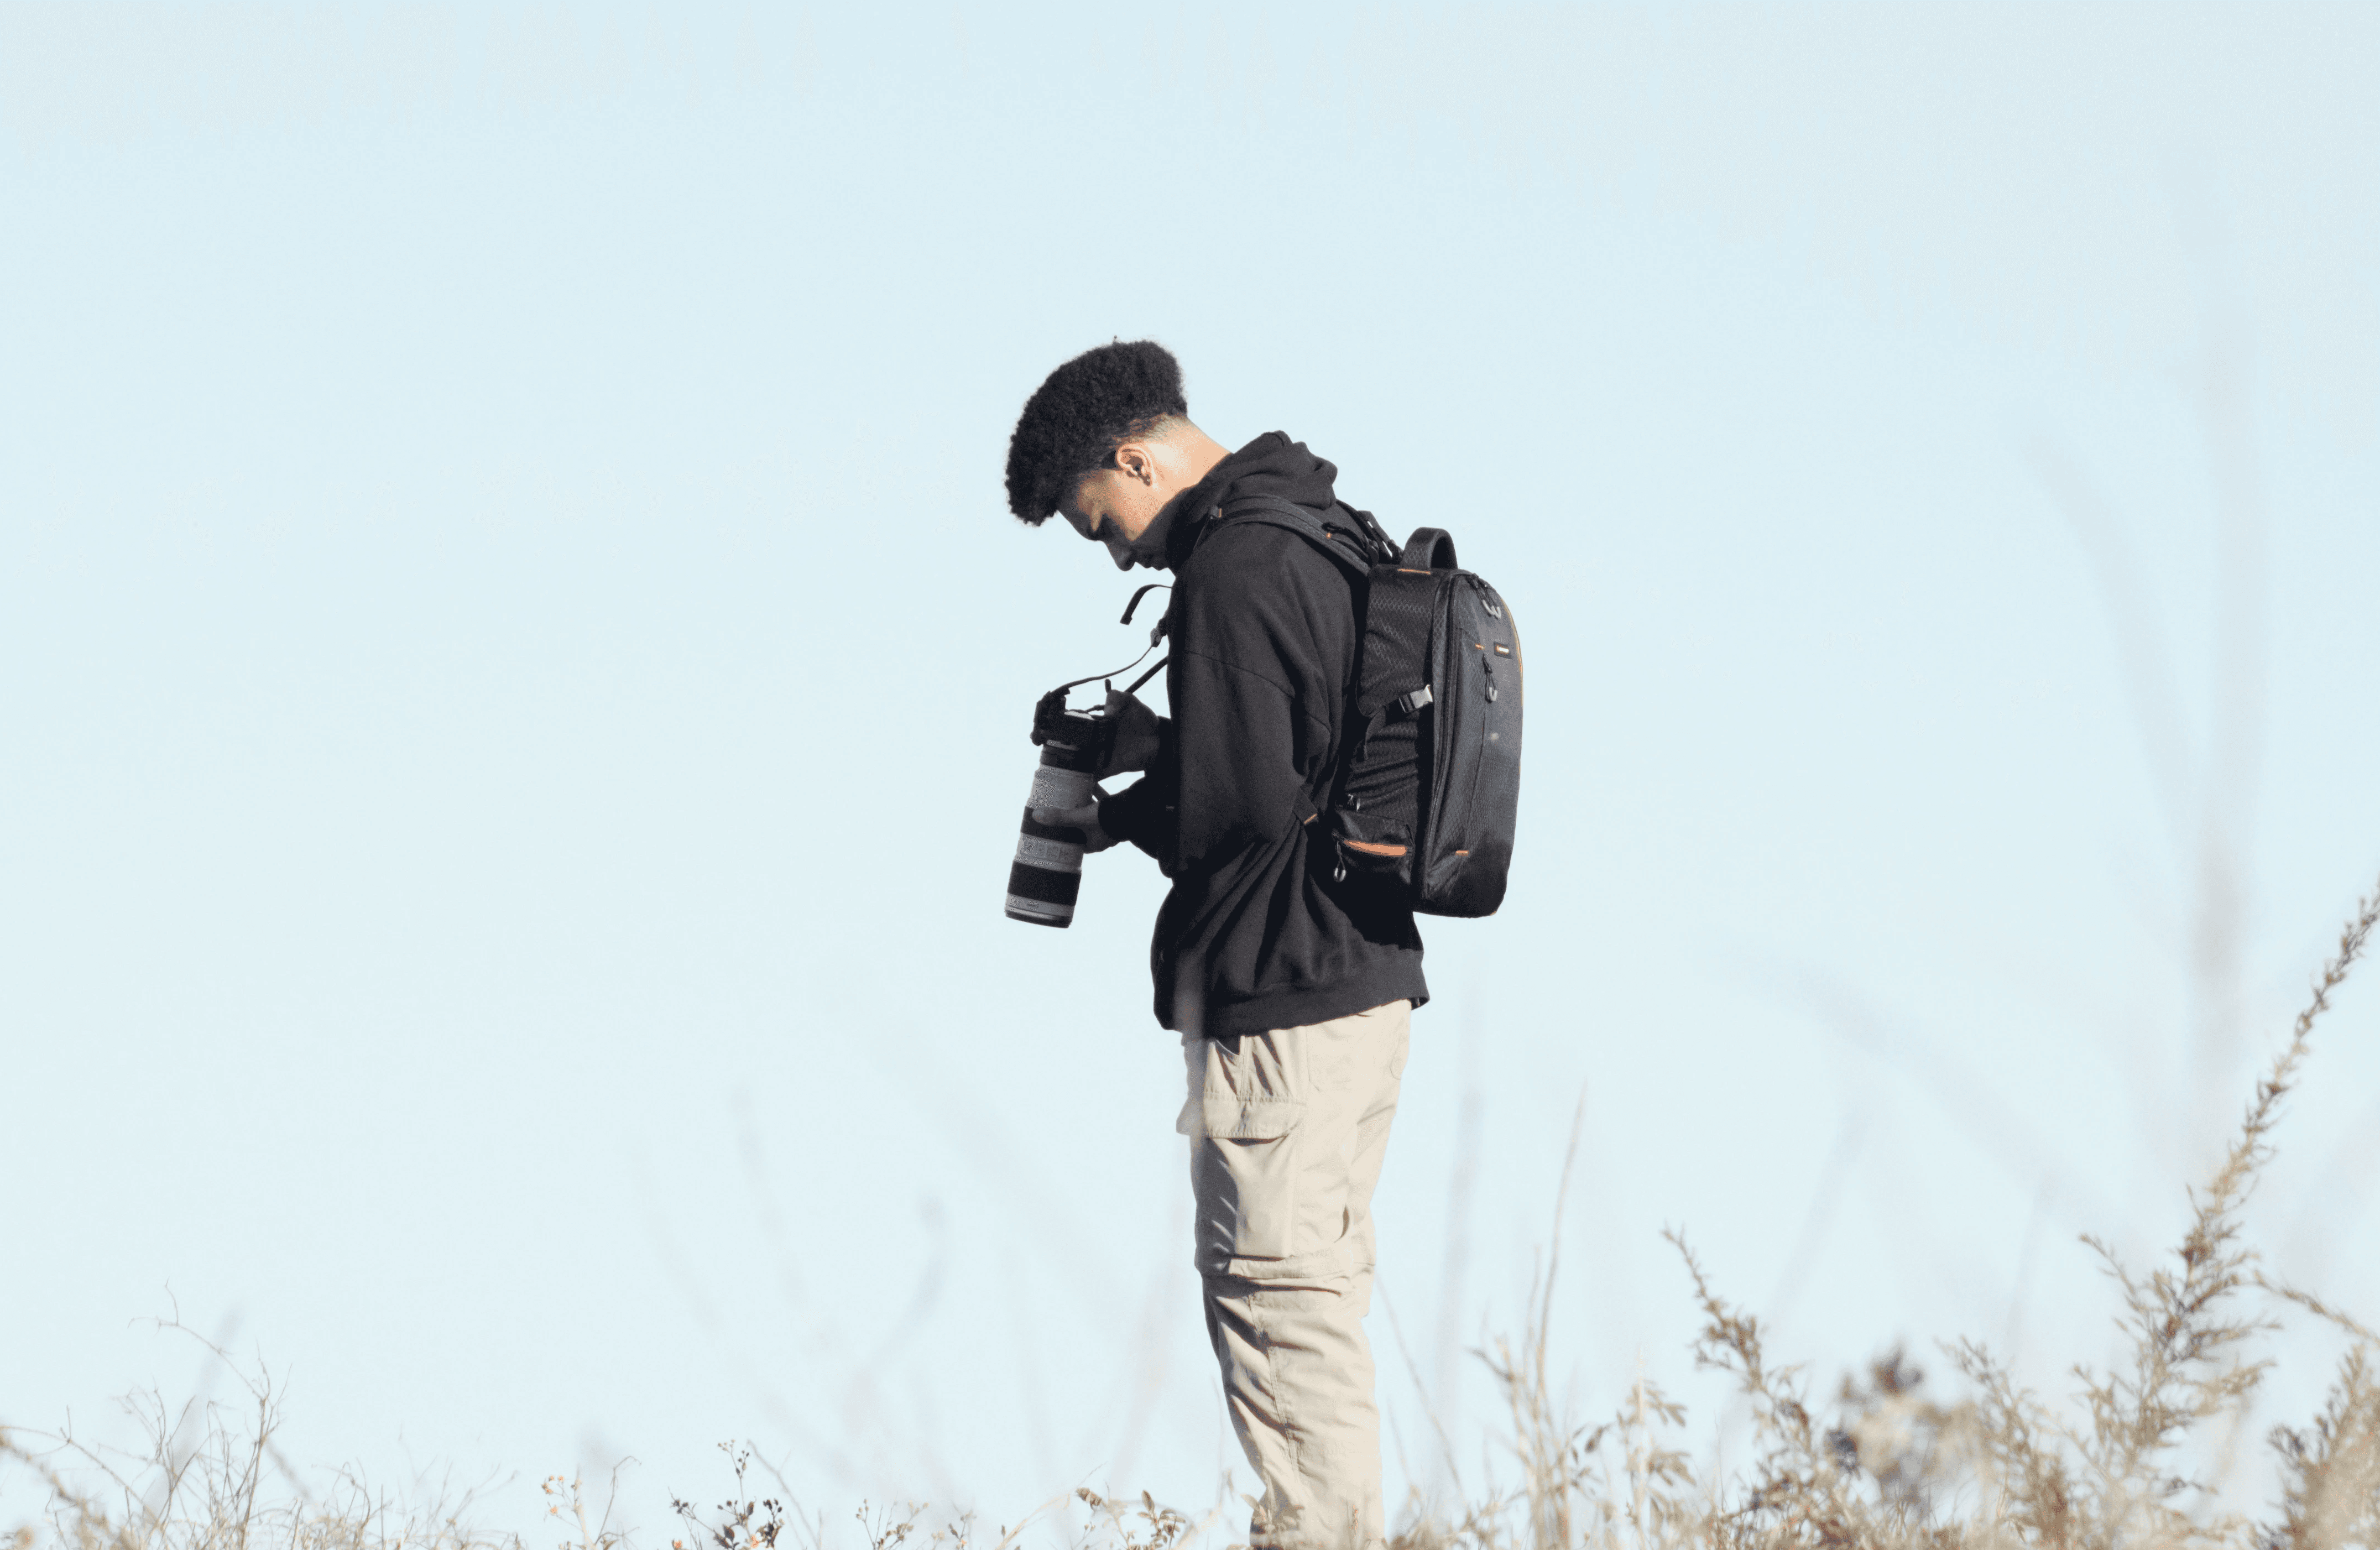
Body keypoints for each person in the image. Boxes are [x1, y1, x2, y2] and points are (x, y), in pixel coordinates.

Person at [1004, 340, 1426, 1550]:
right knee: (1316, 1305)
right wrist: (1154, 743)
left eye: (1102, 524)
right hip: (1356, 982)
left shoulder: (1235, 564)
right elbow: (1289, 759)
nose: (1120, 551)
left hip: (1283, 995)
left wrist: (1110, 813)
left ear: (1133, 458)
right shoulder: (1314, 523)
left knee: (1278, 1311)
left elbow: (1235, 811)